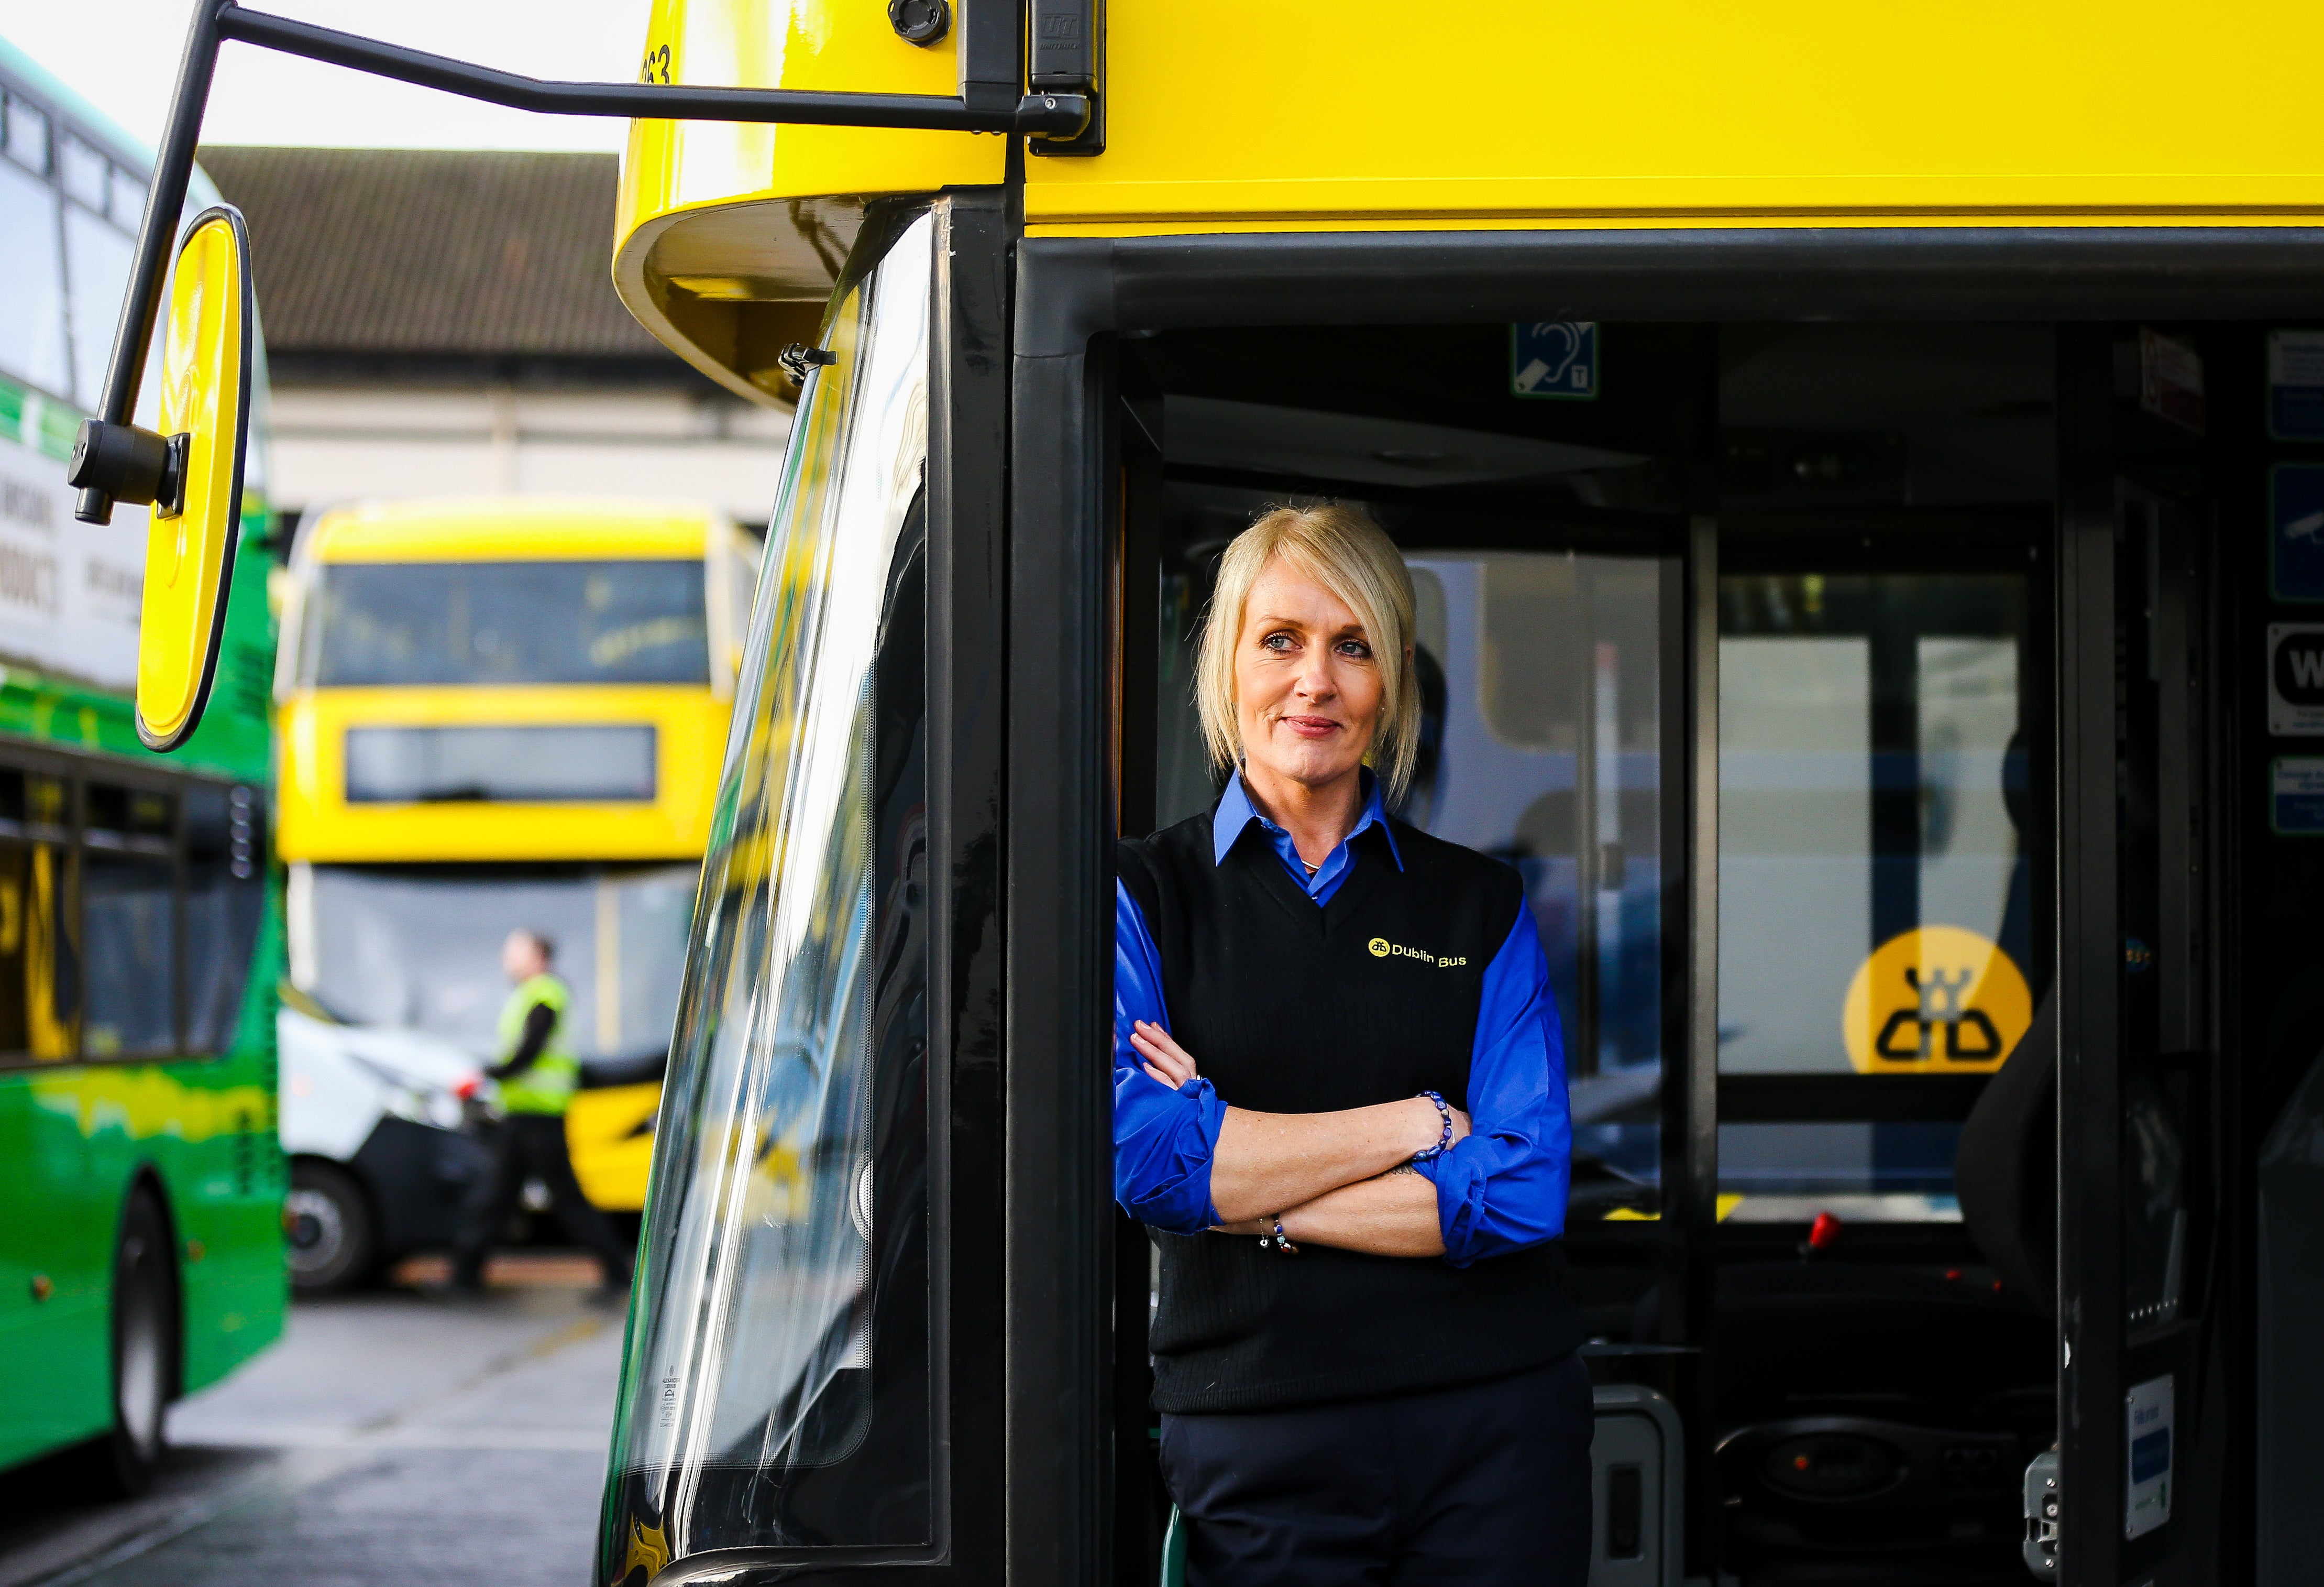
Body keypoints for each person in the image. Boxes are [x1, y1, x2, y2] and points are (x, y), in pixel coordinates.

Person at [1114, 504, 1589, 1585]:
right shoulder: (1141, 893)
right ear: (1228, 660)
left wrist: (1248, 1188)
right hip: (1258, 1435)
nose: (1313, 681)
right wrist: (1414, 1122)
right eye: (1279, 639)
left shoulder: (1480, 904)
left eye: (1352, 644)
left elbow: (1519, 1185)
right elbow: (1150, 1160)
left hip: (1497, 1425)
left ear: (1392, 683)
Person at [450, 929, 636, 1296]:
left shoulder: (545, 993)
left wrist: (488, 1075)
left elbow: (531, 1047)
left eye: (514, 952)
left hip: (538, 1119)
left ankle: (617, 1274)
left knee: (556, 1199)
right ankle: (465, 1275)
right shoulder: (531, 993)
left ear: (536, 955)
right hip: (524, 1115)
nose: (508, 960)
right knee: (497, 1196)